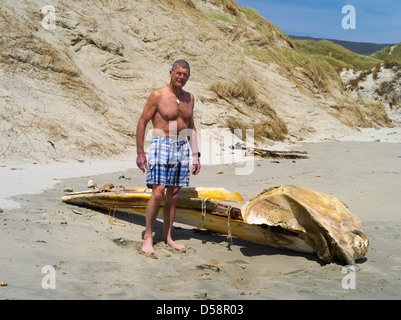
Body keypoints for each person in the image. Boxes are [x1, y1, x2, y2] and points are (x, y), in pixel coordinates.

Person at [136, 60, 201, 255]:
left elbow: (191, 127)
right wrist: (140, 153)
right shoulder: (158, 95)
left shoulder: (190, 98)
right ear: (171, 73)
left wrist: (196, 155)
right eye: (178, 73)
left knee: (173, 195)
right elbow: (142, 122)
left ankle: (167, 236)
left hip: (182, 147)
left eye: (185, 75)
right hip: (161, 144)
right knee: (158, 192)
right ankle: (148, 236)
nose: (181, 77)